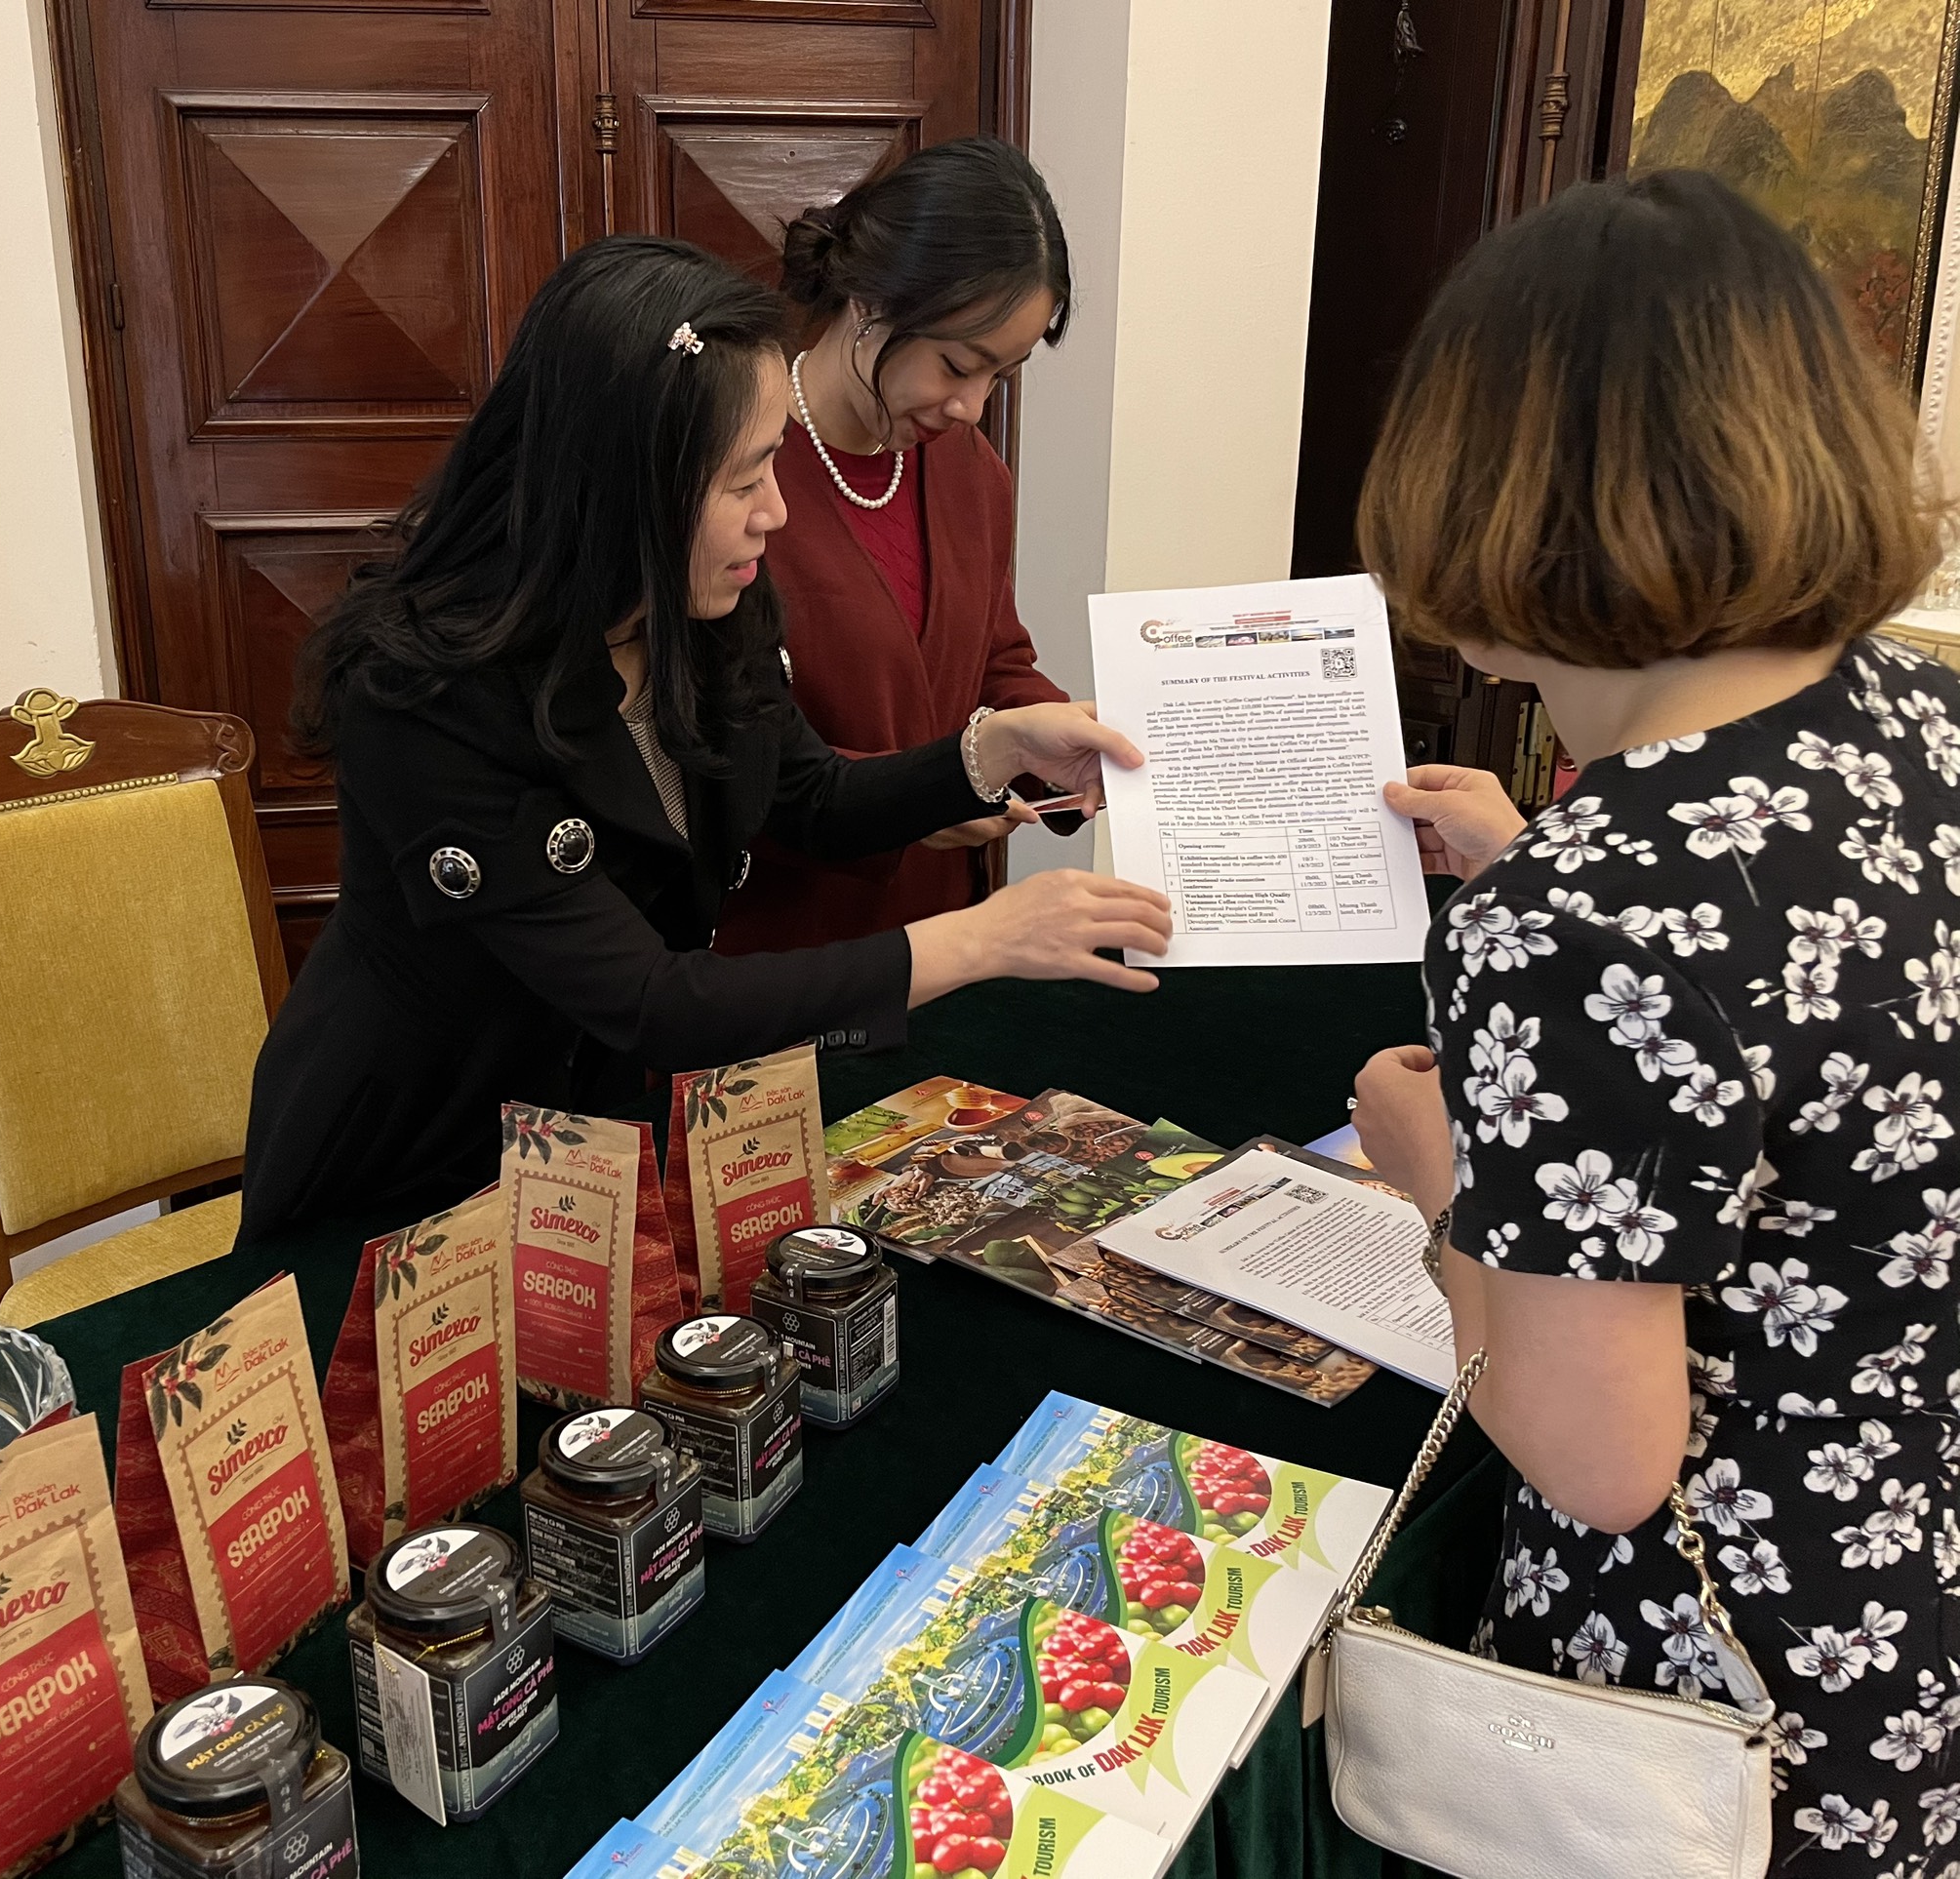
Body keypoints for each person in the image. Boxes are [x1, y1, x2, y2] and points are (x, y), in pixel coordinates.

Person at [1344, 168, 1955, 1860]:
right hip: (1910, 1586)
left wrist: (1432, 1172)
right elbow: (1813, 1012)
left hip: (1714, 1709)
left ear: (1484, 488)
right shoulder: (1916, 713)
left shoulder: (1582, 911)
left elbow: (1598, 1457)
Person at [235, 236, 1172, 1239]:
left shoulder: (696, 605)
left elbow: (808, 798)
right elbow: (652, 1002)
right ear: (624, 484)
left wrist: (994, 752)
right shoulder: (425, 693)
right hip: (411, 1167)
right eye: (747, 477)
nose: (777, 513)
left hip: (587, 1145)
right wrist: (979, 938)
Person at [714, 139, 1079, 954]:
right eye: (957, 364)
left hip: (951, 936)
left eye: (1001, 375)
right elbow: (715, 753)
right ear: (870, 301)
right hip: (783, 947)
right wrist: (930, 787)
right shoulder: (738, 479)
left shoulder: (971, 474)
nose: (971, 406)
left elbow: (993, 661)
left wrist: (1064, 743)